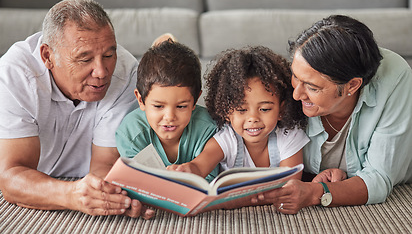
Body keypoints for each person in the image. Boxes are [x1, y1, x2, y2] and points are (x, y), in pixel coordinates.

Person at [0, 0, 154, 219]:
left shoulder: (126, 72)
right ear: (47, 56)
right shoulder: (14, 75)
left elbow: (105, 163)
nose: (102, 71)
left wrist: (114, 195)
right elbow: (11, 177)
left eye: (109, 55)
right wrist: (71, 194)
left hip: (86, 175)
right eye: (84, 59)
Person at [257, 15, 412, 214]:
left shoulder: (394, 78)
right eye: (295, 76)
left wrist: (315, 192)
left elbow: (379, 178)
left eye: (313, 88)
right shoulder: (296, 83)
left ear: (352, 85)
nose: (296, 94)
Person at [168, 46, 309, 182]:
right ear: (226, 111)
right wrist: (187, 170)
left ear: (281, 110)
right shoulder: (226, 139)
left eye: (265, 109)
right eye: (242, 110)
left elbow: (289, 184)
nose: (253, 118)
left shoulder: (290, 137)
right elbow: (199, 166)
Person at [115, 40, 220, 182]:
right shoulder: (131, 133)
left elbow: (210, 180)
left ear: (195, 101)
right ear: (141, 100)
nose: (170, 117)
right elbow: (137, 182)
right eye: (158, 106)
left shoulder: (208, 128)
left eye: (181, 106)